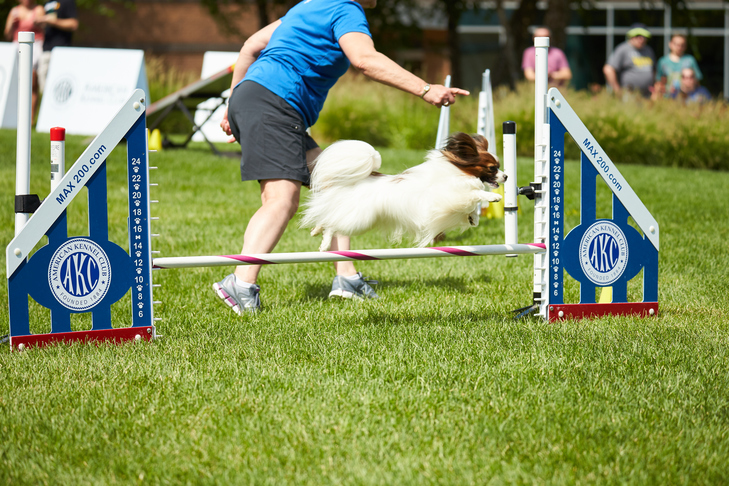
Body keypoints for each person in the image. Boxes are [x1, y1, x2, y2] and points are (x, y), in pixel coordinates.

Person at [215, 0, 468, 314]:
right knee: (282, 199)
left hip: (259, 97)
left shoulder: (309, 6)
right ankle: (240, 283)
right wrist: (425, 88)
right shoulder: (346, 9)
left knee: (339, 182)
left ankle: (346, 278)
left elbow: (251, 46)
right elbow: (364, 60)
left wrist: (234, 100)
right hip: (274, 102)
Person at [4, 0, 45, 124]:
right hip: (17, 47)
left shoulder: (38, 10)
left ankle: (31, 118)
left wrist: (38, 22)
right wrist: (11, 22)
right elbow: (7, 34)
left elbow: (45, 28)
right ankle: (17, 117)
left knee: (32, 81)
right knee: (18, 83)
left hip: (35, 47)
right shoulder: (14, 11)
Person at [603, 23, 656, 99]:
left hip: (646, 97)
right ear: (631, 36)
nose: (641, 39)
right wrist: (617, 90)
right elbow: (608, 69)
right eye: (638, 36)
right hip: (628, 96)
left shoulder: (649, 50)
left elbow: (653, 70)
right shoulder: (623, 49)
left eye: (644, 36)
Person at [36, 0, 78, 94]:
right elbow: (45, 27)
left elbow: (73, 24)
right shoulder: (47, 3)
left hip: (62, 50)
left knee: (59, 87)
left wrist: (54, 21)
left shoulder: (67, 2)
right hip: (46, 49)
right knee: (43, 88)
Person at [655, 33, 702, 98]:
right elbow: (659, 82)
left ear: (685, 46)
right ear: (670, 44)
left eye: (682, 45)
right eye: (676, 44)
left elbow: (697, 82)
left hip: (687, 98)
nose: (679, 47)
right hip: (668, 98)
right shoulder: (663, 61)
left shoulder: (690, 60)